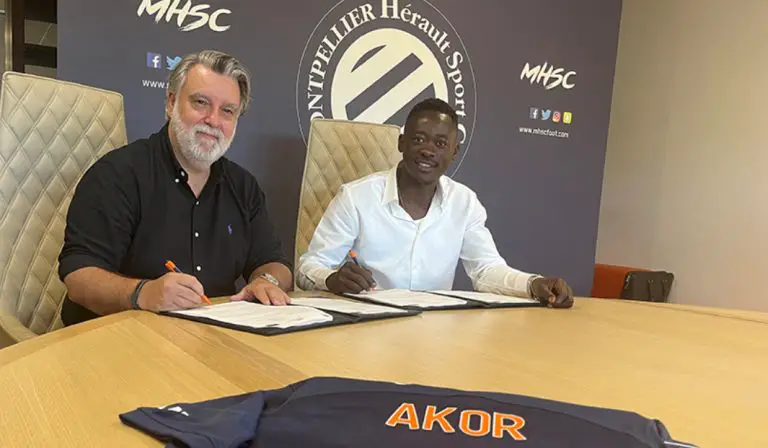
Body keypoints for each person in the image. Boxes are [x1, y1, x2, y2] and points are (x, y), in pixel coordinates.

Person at [58, 50, 293, 326]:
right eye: (201, 103)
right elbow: (79, 276)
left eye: (227, 111)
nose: (213, 120)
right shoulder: (117, 174)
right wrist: (142, 293)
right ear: (171, 103)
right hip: (117, 339)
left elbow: (276, 264)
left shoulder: (243, 187)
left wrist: (267, 281)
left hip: (210, 339)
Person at [296, 98, 573, 308]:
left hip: (436, 334)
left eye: (441, 144)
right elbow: (308, 267)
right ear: (401, 143)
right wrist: (331, 279)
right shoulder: (356, 197)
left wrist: (532, 284)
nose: (428, 150)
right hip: (366, 330)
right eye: (418, 139)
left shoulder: (464, 203)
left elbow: (486, 270)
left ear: (454, 152)